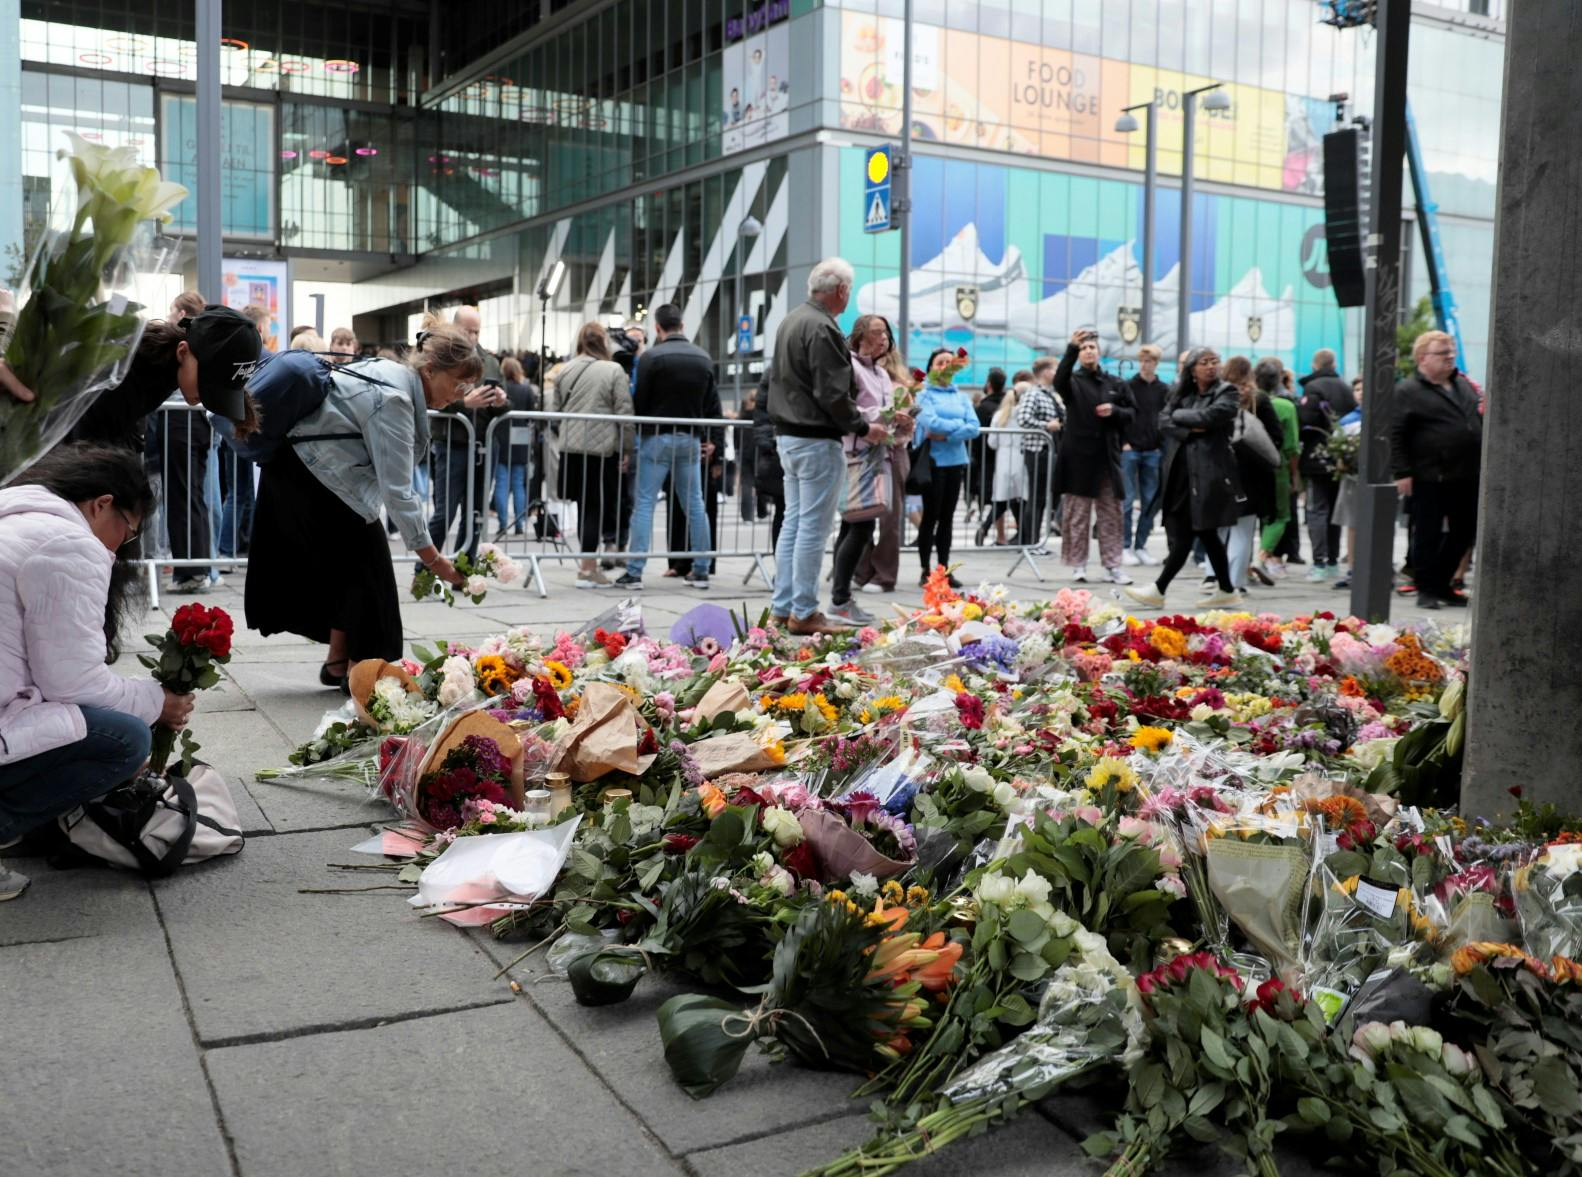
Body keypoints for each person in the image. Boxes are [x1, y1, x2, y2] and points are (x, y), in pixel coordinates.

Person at [0, 444, 196, 901]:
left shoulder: (17, 518)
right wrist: (158, 704)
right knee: (125, 740)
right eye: (128, 532)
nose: (121, 546)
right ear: (102, 504)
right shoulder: (70, 544)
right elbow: (71, 683)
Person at [245, 314, 477, 687]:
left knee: (352, 572)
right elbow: (399, 492)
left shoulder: (391, 373)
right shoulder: (396, 399)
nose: (460, 394)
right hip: (312, 476)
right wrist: (434, 560)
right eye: (459, 383)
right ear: (431, 370)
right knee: (373, 581)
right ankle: (363, 679)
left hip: (303, 473)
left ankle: (339, 663)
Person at [66, 305, 260, 593]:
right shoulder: (128, 373)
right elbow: (83, 438)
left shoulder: (162, 370)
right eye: (208, 384)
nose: (204, 399)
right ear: (183, 351)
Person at [767, 257, 900, 635]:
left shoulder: (792, 320)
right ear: (841, 290)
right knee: (811, 526)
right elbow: (832, 393)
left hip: (790, 437)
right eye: (849, 290)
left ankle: (784, 606)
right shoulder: (822, 327)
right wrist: (864, 426)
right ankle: (805, 610)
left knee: (793, 523)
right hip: (814, 437)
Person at [1123, 347, 1244, 611]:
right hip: (1181, 471)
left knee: (1193, 533)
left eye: (1215, 361)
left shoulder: (1227, 392)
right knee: (1203, 533)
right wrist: (1191, 428)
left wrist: (1183, 419)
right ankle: (1226, 590)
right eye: (1205, 362)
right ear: (1192, 368)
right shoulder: (1182, 393)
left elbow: (1210, 417)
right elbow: (1164, 420)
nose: (1212, 366)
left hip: (1209, 473)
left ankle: (1159, 589)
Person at [616, 303, 720, 590]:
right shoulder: (702, 358)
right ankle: (701, 569)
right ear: (682, 326)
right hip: (690, 437)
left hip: (656, 437)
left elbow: (640, 401)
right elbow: (711, 402)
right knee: (695, 505)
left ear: (658, 328)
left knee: (645, 504)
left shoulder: (651, 357)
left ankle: (635, 571)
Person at [830, 314, 912, 624]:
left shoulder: (879, 372)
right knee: (860, 524)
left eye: (887, 333)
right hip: (857, 454)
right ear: (860, 337)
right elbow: (846, 406)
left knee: (854, 524)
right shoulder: (850, 365)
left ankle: (840, 597)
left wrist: (902, 424)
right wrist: (883, 415)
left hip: (878, 455)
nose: (885, 339)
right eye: (878, 333)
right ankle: (839, 598)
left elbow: (883, 417)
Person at [1391, 330, 1481, 610]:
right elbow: (1395, 433)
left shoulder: (1462, 385)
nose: (1449, 358)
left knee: (1465, 532)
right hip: (1429, 475)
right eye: (1442, 353)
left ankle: (1442, 584)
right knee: (1426, 534)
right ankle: (1427, 589)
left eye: (1451, 352)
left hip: (1466, 473)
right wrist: (1402, 472)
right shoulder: (1408, 391)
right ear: (1422, 358)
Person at [545, 323, 634, 588]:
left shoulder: (565, 370)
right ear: (603, 343)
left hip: (571, 447)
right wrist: (627, 449)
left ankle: (588, 565)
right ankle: (587, 569)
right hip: (601, 449)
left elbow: (556, 410)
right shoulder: (613, 370)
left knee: (584, 506)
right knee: (596, 507)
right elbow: (625, 413)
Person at [1053, 329, 1134, 584]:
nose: (1088, 351)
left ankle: (1113, 565)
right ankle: (1078, 564)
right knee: (1078, 516)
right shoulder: (1072, 382)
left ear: (1099, 352)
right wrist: (1070, 347)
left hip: (1108, 460)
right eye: (1083, 348)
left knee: (1111, 515)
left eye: (1092, 347)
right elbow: (1059, 379)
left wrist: (1115, 410)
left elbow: (1132, 412)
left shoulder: (1115, 383)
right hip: (1079, 459)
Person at [427, 307, 507, 560]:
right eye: (467, 330)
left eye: (476, 331)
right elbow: (432, 396)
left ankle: (463, 570)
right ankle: (425, 569)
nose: (472, 336)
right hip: (452, 442)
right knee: (445, 512)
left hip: (483, 444)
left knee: (476, 513)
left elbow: (505, 408)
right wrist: (465, 403)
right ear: (455, 328)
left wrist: (501, 401)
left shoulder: (491, 361)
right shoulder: (443, 355)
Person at [853, 339, 915, 595]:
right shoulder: (860, 378)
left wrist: (897, 426)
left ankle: (885, 575)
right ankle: (863, 569)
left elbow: (908, 428)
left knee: (890, 518)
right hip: (866, 452)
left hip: (894, 452)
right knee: (861, 514)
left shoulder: (901, 388)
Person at [913, 347, 979, 587]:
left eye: (949, 363)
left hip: (955, 460)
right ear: (930, 367)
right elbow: (930, 423)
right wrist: (957, 426)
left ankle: (944, 568)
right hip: (933, 463)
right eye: (940, 362)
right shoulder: (923, 395)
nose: (944, 367)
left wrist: (949, 434)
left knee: (948, 518)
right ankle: (925, 569)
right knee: (930, 516)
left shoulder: (961, 396)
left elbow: (973, 426)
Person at [1218, 356, 1284, 593]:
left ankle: (1231, 582)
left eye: (1243, 384)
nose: (1242, 389)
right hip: (1241, 474)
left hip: (1239, 474)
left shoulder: (1229, 399)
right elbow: (1277, 438)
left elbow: (1275, 439)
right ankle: (1229, 581)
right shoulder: (1255, 400)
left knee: (1235, 528)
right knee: (1233, 529)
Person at [1253, 357, 1301, 582]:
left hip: (1252, 464)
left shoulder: (1249, 401)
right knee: (1280, 516)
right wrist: (1295, 475)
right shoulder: (1286, 406)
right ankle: (1262, 556)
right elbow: (1291, 445)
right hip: (1277, 466)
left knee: (1253, 517)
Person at [1296, 359, 1343, 581]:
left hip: (1317, 457)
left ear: (1314, 365)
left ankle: (1319, 562)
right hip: (1342, 457)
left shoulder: (1313, 388)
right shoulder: (1344, 387)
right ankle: (1333, 560)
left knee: (1317, 510)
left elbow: (1306, 420)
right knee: (1336, 511)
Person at [1121, 343, 1168, 565]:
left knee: (1150, 500)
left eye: (1148, 360)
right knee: (1128, 500)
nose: (1144, 364)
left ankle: (1141, 545)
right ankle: (1125, 546)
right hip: (1131, 449)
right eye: (1141, 360)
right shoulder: (1129, 386)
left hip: (1152, 450)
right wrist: (1124, 442)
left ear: (1156, 363)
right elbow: (1122, 416)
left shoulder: (1163, 389)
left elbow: (1166, 418)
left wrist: (1160, 445)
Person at [1014, 354, 1063, 553]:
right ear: (1045, 372)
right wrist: (1046, 425)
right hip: (1037, 450)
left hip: (1045, 450)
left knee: (1040, 498)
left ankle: (1033, 541)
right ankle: (1030, 542)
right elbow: (1024, 419)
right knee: (1036, 498)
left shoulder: (1048, 393)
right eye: (1054, 369)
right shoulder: (1033, 394)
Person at [491, 356, 538, 540]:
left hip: (500, 439)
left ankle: (503, 524)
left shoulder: (501, 390)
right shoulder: (526, 390)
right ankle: (519, 524)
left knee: (501, 484)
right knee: (518, 484)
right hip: (520, 440)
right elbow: (531, 415)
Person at [981, 379, 1025, 546]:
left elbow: (992, 442)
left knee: (1003, 498)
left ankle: (986, 527)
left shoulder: (1000, 415)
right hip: (1019, 458)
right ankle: (1022, 532)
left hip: (1002, 459)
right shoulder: (1023, 413)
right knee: (1017, 498)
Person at [970, 367, 1007, 543]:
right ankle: (1000, 536)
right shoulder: (1005, 406)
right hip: (1001, 458)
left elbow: (976, 438)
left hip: (988, 459)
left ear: (989, 384)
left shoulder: (984, 408)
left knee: (1000, 498)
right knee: (1002, 497)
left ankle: (992, 530)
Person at [748, 384, 785, 548]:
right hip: (779, 450)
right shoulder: (773, 372)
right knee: (784, 511)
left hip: (786, 446)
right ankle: (784, 569)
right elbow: (762, 418)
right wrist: (768, 445)